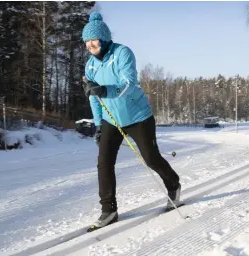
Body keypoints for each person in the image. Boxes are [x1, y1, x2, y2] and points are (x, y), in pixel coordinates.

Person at [81, 12, 181, 230]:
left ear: (104, 39)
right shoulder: (90, 66)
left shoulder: (122, 53)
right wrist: (98, 125)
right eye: (87, 42)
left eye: (93, 40)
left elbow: (129, 84)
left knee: (151, 158)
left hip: (138, 117)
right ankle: (109, 210)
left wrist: (105, 89)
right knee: (104, 163)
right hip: (111, 120)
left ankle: (173, 184)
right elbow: (95, 98)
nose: (90, 45)